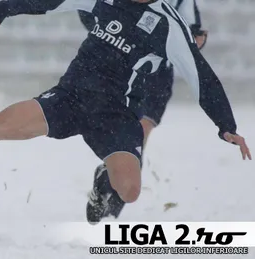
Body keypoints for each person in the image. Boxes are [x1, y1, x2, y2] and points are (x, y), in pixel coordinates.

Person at [0, 0, 251, 227]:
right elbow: (49, 0)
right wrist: (2, 9)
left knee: (130, 191)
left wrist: (226, 126)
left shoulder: (168, 25)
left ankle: (100, 188)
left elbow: (202, 75)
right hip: (68, 98)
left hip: (113, 114)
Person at [78, 0, 208, 223]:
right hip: (124, 66)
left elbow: (193, 31)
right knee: (126, 134)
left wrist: (194, 40)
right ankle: (112, 183)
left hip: (158, 75)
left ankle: (112, 195)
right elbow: (88, 12)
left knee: (140, 134)